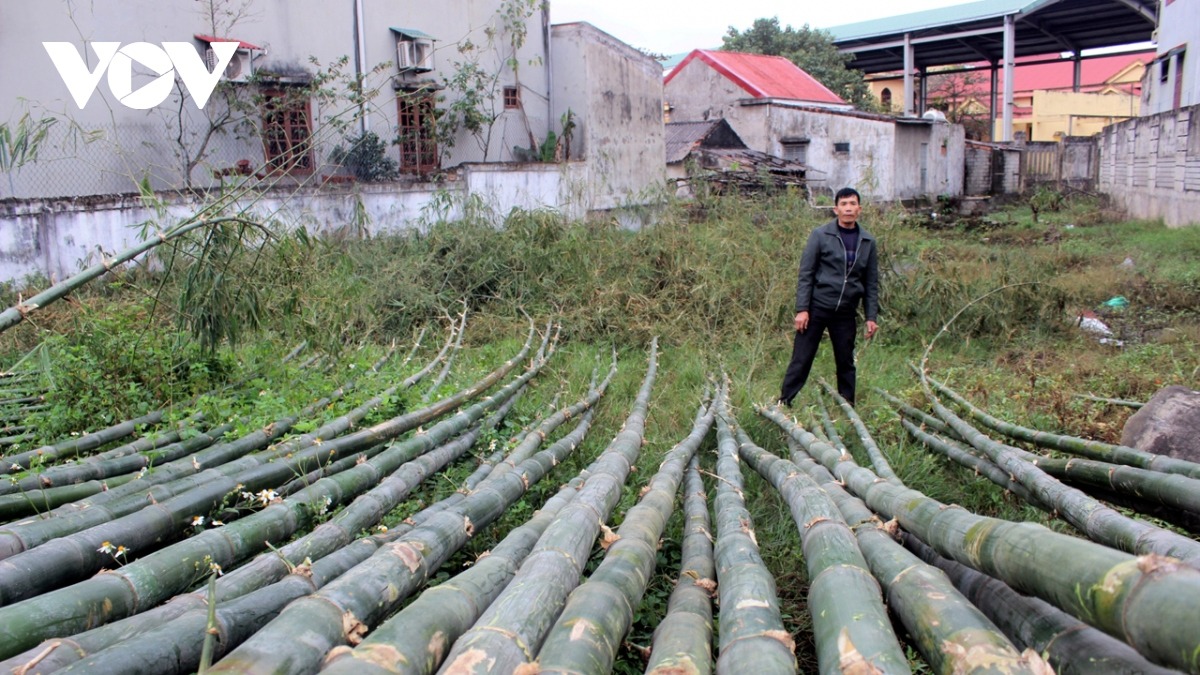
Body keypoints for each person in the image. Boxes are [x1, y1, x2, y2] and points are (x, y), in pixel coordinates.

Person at [779, 187, 879, 407]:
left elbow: (871, 283)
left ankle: (847, 405)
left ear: (859, 209)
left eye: (852, 204)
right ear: (836, 209)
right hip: (817, 308)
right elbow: (806, 273)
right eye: (844, 204)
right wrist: (802, 309)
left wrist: (871, 316)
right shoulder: (820, 235)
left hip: (846, 312)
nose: (848, 209)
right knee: (802, 358)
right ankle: (784, 401)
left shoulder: (867, 242)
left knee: (845, 361)